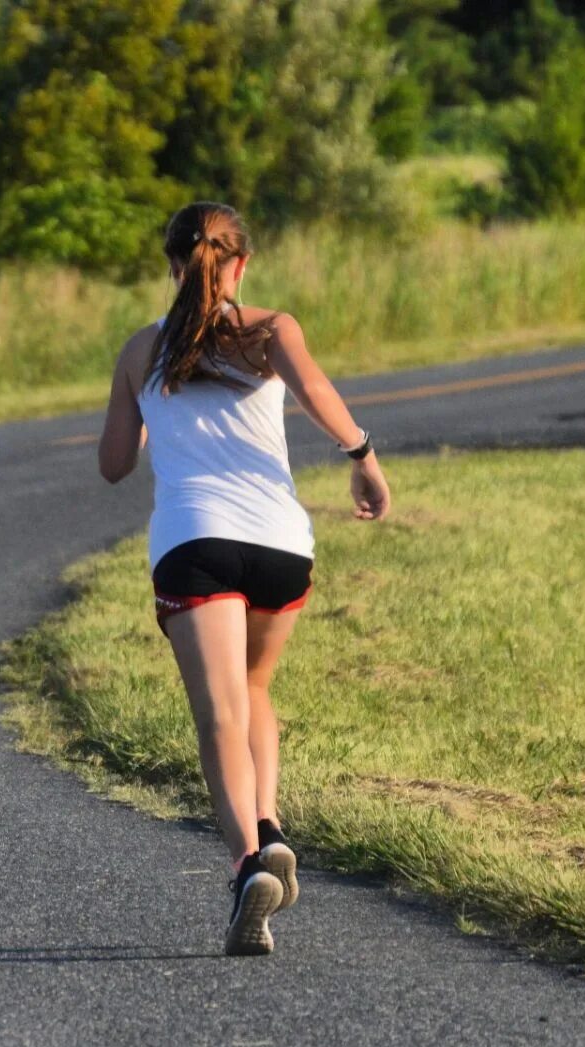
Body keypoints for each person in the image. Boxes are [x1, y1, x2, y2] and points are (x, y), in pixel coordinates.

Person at [97, 201, 390, 956]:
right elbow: (321, 395)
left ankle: (248, 863)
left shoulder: (142, 348)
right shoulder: (273, 329)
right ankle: (271, 823)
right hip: (280, 541)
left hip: (194, 542)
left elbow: (113, 464)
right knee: (256, 689)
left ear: (171, 263)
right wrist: (363, 458)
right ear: (242, 264)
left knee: (219, 714)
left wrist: (139, 401)